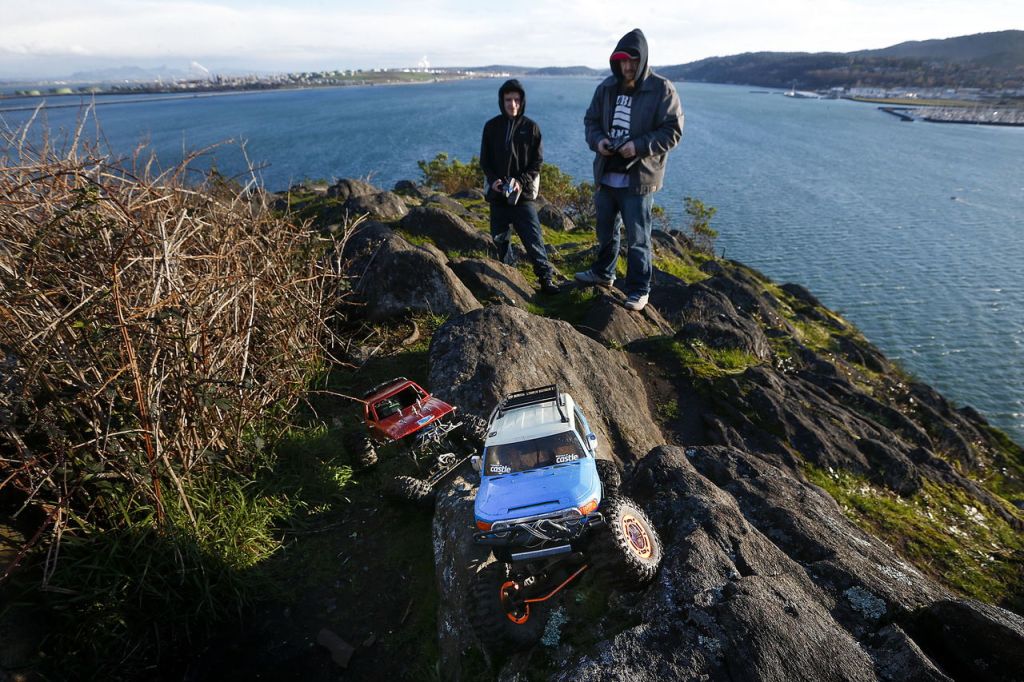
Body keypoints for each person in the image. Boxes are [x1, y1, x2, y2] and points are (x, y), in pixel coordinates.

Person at [575, 28, 683, 311]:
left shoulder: (662, 89)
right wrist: (599, 142)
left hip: (638, 177)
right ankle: (603, 273)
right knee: (605, 230)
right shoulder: (607, 88)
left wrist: (638, 146)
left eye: (633, 60)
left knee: (638, 237)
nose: (628, 66)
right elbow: (591, 121)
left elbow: (673, 131)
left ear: (643, 59)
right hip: (607, 172)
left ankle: (638, 289)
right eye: (623, 61)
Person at [480, 79, 561, 295]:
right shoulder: (491, 127)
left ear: (522, 101)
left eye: (516, 99)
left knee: (533, 240)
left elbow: (537, 163)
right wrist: (495, 179)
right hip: (498, 196)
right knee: (500, 241)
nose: (512, 104)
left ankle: (546, 281)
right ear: (502, 101)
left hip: (522, 196)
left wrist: (520, 181)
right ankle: (510, 275)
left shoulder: (531, 128)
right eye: (508, 100)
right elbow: (484, 161)